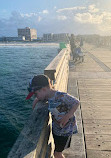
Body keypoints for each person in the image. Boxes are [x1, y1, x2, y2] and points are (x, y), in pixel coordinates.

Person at [26, 74, 80, 158]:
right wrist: (37, 100)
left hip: (65, 131)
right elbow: (38, 101)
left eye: (35, 94)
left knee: (57, 153)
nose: (35, 97)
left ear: (43, 89)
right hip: (57, 130)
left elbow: (76, 102)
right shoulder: (48, 95)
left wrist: (67, 116)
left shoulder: (60, 96)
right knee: (57, 151)